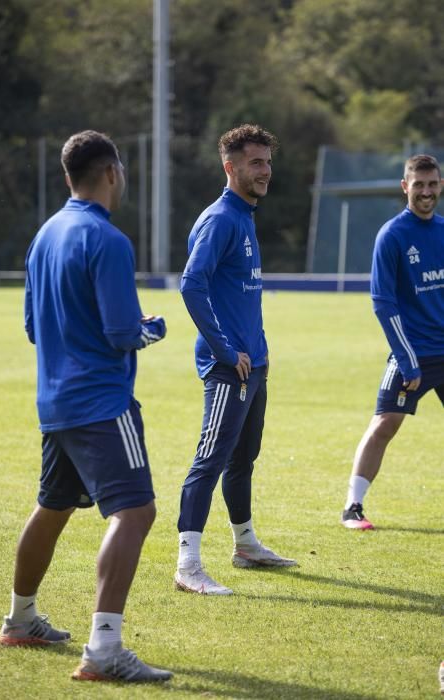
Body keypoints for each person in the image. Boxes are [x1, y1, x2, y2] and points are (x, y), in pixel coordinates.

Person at [0, 130, 172, 683]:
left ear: (69, 176)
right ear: (113, 172)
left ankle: (20, 619)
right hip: (101, 401)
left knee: (53, 507)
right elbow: (122, 332)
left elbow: (32, 327)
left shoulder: (44, 235)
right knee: (136, 512)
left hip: (56, 402)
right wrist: (151, 330)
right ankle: (104, 650)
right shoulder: (109, 240)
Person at [174, 123, 297, 596]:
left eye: (267, 161)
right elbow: (192, 283)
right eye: (256, 163)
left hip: (255, 364)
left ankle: (245, 545)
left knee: (243, 459)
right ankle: (187, 564)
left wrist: (258, 352)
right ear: (231, 167)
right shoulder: (221, 218)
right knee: (210, 460)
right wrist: (227, 349)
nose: (265, 171)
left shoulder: (245, 215)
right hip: (229, 367)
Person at [342, 153, 444, 530]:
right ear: (406, 187)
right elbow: (383, 302)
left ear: (441, 186)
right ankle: (352, 507)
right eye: (419, 185)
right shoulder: (393, 235)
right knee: (386, 422)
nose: (426, 192)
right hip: (412, 353)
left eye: (432, 184)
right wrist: (406, 358)